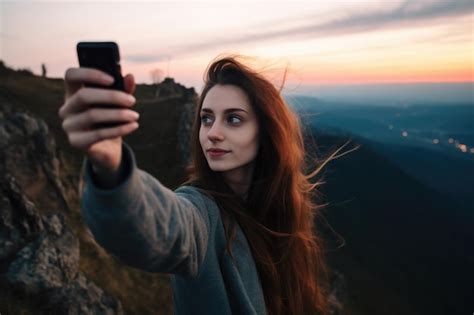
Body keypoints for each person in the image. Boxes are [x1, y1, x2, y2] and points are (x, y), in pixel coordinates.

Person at [59, 55, 341, 315]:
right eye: (206, 119)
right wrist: (113, 168)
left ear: (266, 132)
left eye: (233, 119)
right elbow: (159, 227)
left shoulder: (283, 214)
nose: (212, 134)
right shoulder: (202, 213)